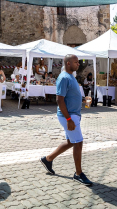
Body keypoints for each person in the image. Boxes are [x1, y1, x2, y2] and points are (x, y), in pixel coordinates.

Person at [40, 55, 93, 186]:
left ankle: (48, 159)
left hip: (73, 114)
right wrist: (69, 119)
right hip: (68, 116)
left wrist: (84, 100)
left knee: (71, 142)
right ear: (68, 63)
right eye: (76, 62)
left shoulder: (71, 77)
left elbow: (71, 96)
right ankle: (78, 174)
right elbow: (59, 100)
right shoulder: (64, 77)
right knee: (78, 142)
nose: (78, 64)